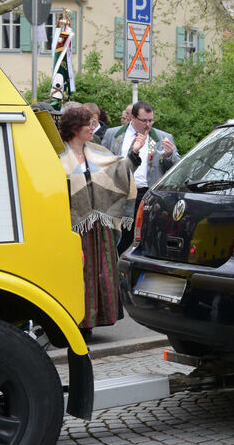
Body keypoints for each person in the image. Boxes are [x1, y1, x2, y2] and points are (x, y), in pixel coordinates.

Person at [59, 103, 139, 336]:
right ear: (74, 127)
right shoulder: (59, 157)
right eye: (88, 124)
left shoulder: (98, 151)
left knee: (101, 271)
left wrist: (133, 152)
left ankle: (96, 319)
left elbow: (120, 169)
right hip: (74, 226)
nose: (93, 128)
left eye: (93, 123)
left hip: (98, 226)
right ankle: (76, 322)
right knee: (78, 272)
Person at [102, 101, 180, 255]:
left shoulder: (163, 136)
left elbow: (177, 168)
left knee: (145, 240)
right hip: (120, 194)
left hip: (147, 195)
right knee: (120, 239)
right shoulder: (114, 134)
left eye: (151, 120)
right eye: (144, 120)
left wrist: (170, 155)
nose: (148, 125)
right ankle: (118, 271)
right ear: (132, 117)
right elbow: (103, 161)